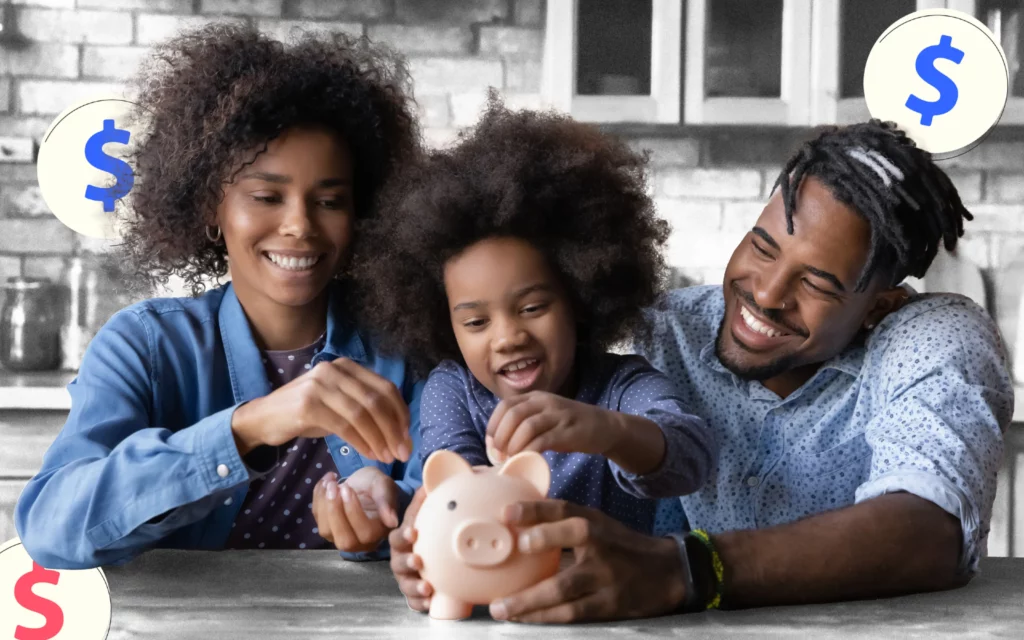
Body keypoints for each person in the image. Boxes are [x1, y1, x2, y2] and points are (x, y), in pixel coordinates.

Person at [390, 119, 1013, 621]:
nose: (766, 294)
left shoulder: (934, 335)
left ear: (880, 303)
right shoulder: (667, 331)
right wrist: (424, 521)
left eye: (817, 283)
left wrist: (686, 569)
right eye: (762, 246)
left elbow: (929, 531)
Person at [16, 24, 425, 569]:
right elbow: (51, 526)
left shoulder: (409, 347)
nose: (299, 225)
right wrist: (251, 425)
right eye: (266, 196)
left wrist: (395, 511)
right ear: (211, 206)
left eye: (330, 201)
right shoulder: (146, 346)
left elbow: (458, 496)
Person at [350, 97, 716, 599]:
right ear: (443, 324)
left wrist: (606, 431)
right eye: (476, 321)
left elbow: (693, 456)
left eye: (532, 308)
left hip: (610, 614)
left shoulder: (622, 386)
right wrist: (416, 541)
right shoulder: (452, 389)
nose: (507, 337)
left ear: (581, 297)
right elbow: (446, 473)